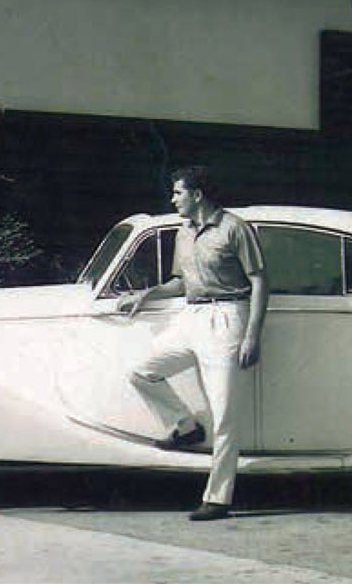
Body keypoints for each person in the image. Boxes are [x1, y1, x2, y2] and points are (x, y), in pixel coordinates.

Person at [118, 165, 268, 521]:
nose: (173, 199)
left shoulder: (235, 228)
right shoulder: (183, 233)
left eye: (178, 193)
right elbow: (179, 282)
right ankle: (185, 427)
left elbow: (260, 281)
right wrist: (148, 294)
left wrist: (252, 334)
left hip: (229, 318)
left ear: (197, 195)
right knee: (141, 372)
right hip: (192, 317)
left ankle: (218, 498)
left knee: (225, 415)